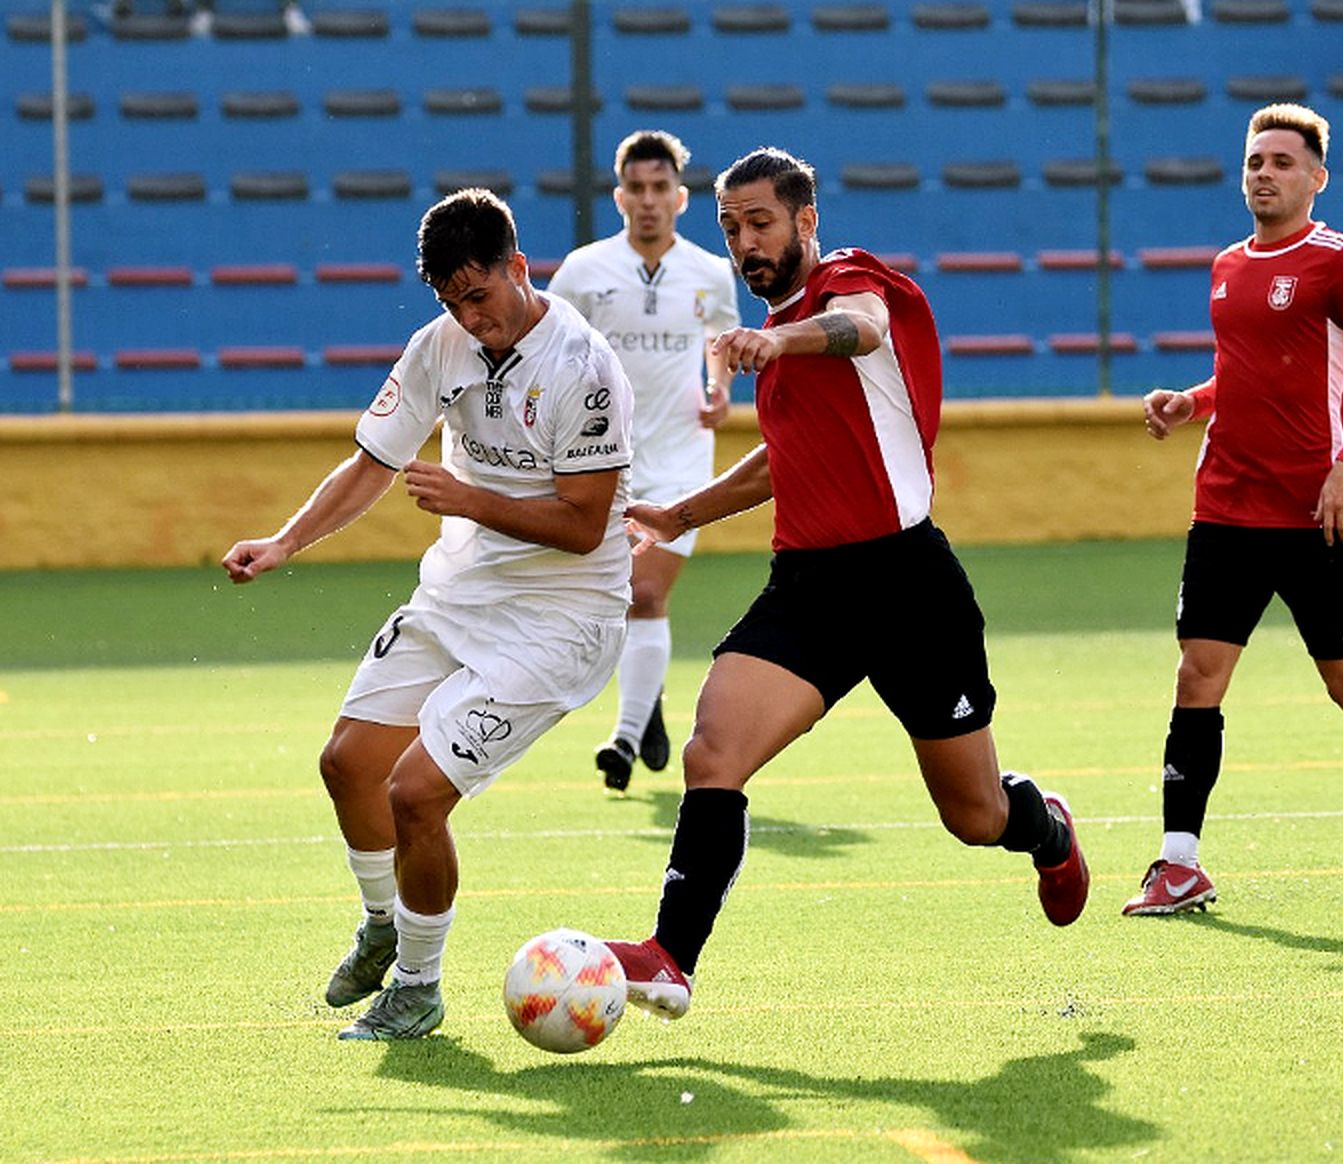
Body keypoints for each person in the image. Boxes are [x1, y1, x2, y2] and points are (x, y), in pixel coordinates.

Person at [597, 147, 1091, 1021]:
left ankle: (1044, 827)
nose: (746, 243)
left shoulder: (849, 283)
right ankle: (672, 955)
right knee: (715, 751)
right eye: (730, 228)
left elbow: (860, 328)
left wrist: (775, 337)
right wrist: (683, 515)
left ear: (805, 222)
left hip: (909, 585)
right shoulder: (780, 333)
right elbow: (779, 462)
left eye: (760, 223)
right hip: (811, 589)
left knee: (975, 818)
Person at [221, 187, 633, 1039]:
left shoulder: (584, 366)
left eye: (479, 296)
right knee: (347, 764)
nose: (468, 318)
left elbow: (587, 527)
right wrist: (286, 542)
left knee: (414, 793)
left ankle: (418, 986)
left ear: (520, 268)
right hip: (458, 595)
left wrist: (470, 499)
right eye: (452, 302)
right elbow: (372, 462)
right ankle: (384, 925)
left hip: (561, 618)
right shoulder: (438, 346)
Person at [1127, 103, 1343, 917]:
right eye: (1255, 160)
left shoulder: (1339, 263)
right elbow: (1250, 375)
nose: (1264, 173)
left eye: (1283, 162)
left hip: (1315, 516)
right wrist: (1193, 401)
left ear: (1317, 178)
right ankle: (1180, 863)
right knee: (1197, 675)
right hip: (1225, 507)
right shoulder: (1225, 265)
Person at [546, 130, 740, 793]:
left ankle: (624, 742)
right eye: (639, 189)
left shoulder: (711, 274)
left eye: (662, 189)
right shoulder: (582, 272)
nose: (650, 201)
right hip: (604, 460)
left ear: (681, 199)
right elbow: (552, 350)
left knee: (646, 592)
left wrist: (720, 389)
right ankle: (646, 700)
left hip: (683, 457)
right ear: (619, 195)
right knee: (612, 601)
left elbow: (720, 339)